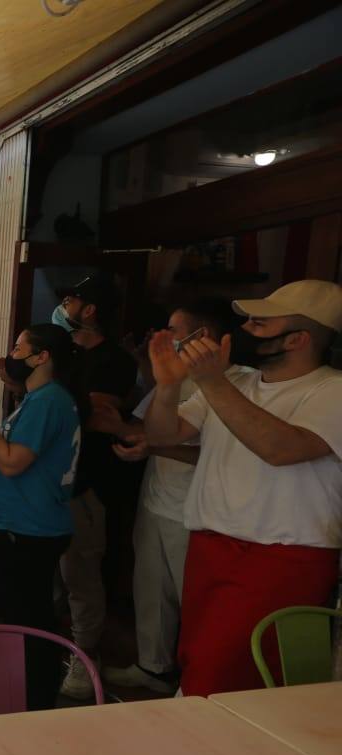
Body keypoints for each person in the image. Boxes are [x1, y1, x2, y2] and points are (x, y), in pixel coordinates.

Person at [144, 280, 342, 697]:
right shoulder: (239, 384)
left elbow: (281, 448)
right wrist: (167, 386)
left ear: (299, 339)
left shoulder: (331, 390)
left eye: (260, 323)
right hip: (211, 544)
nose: (245, 330)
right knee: (199, 663)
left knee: (223, 676)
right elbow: (163, 435)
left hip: (282, 556)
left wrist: (212, 382)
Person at [98, 299, 238, 694]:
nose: (165, 337)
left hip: (193, 509)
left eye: (174, 331)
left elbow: (208, 451)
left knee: (190, 599)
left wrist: (150, 446)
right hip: (156, 497)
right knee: (150, 588)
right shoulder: (171, 382)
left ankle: (194, 680)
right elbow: (147, 430)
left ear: (202, 337)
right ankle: (152, 666)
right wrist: (122, 429)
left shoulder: (228, 385)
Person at [0, 324, 80, 710]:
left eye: (18, 348)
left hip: (31, 529)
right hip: (22, 526)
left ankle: (31, 704)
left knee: (29, 623)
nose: (10, 354)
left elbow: (11, 461)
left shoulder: (49, 401)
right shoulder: (38, 398)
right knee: (23, 617)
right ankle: (22, 697)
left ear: (41, 357)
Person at [45, 276, 137, 699]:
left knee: (81, 576)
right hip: (51, 480)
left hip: (89, 484)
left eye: (73, 298)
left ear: (91, 309)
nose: (66, 304)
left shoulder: (115, 360)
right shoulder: (69, 356)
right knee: (53, 575)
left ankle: (85, 660)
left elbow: (100, 414)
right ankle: (58, 650)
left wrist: (53, 399)